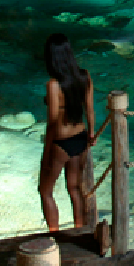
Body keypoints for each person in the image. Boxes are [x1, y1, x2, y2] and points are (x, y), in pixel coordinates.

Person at [39, 33, 96, 232]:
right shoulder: (84, 76)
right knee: (74, 189)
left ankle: (55, 235)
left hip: (61, 142)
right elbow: (90, 109)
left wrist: (47, 152)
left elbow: (53, 122)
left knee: (45, 191)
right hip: (80, 138)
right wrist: (92, 135)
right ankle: (79, 230)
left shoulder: (53, 85)